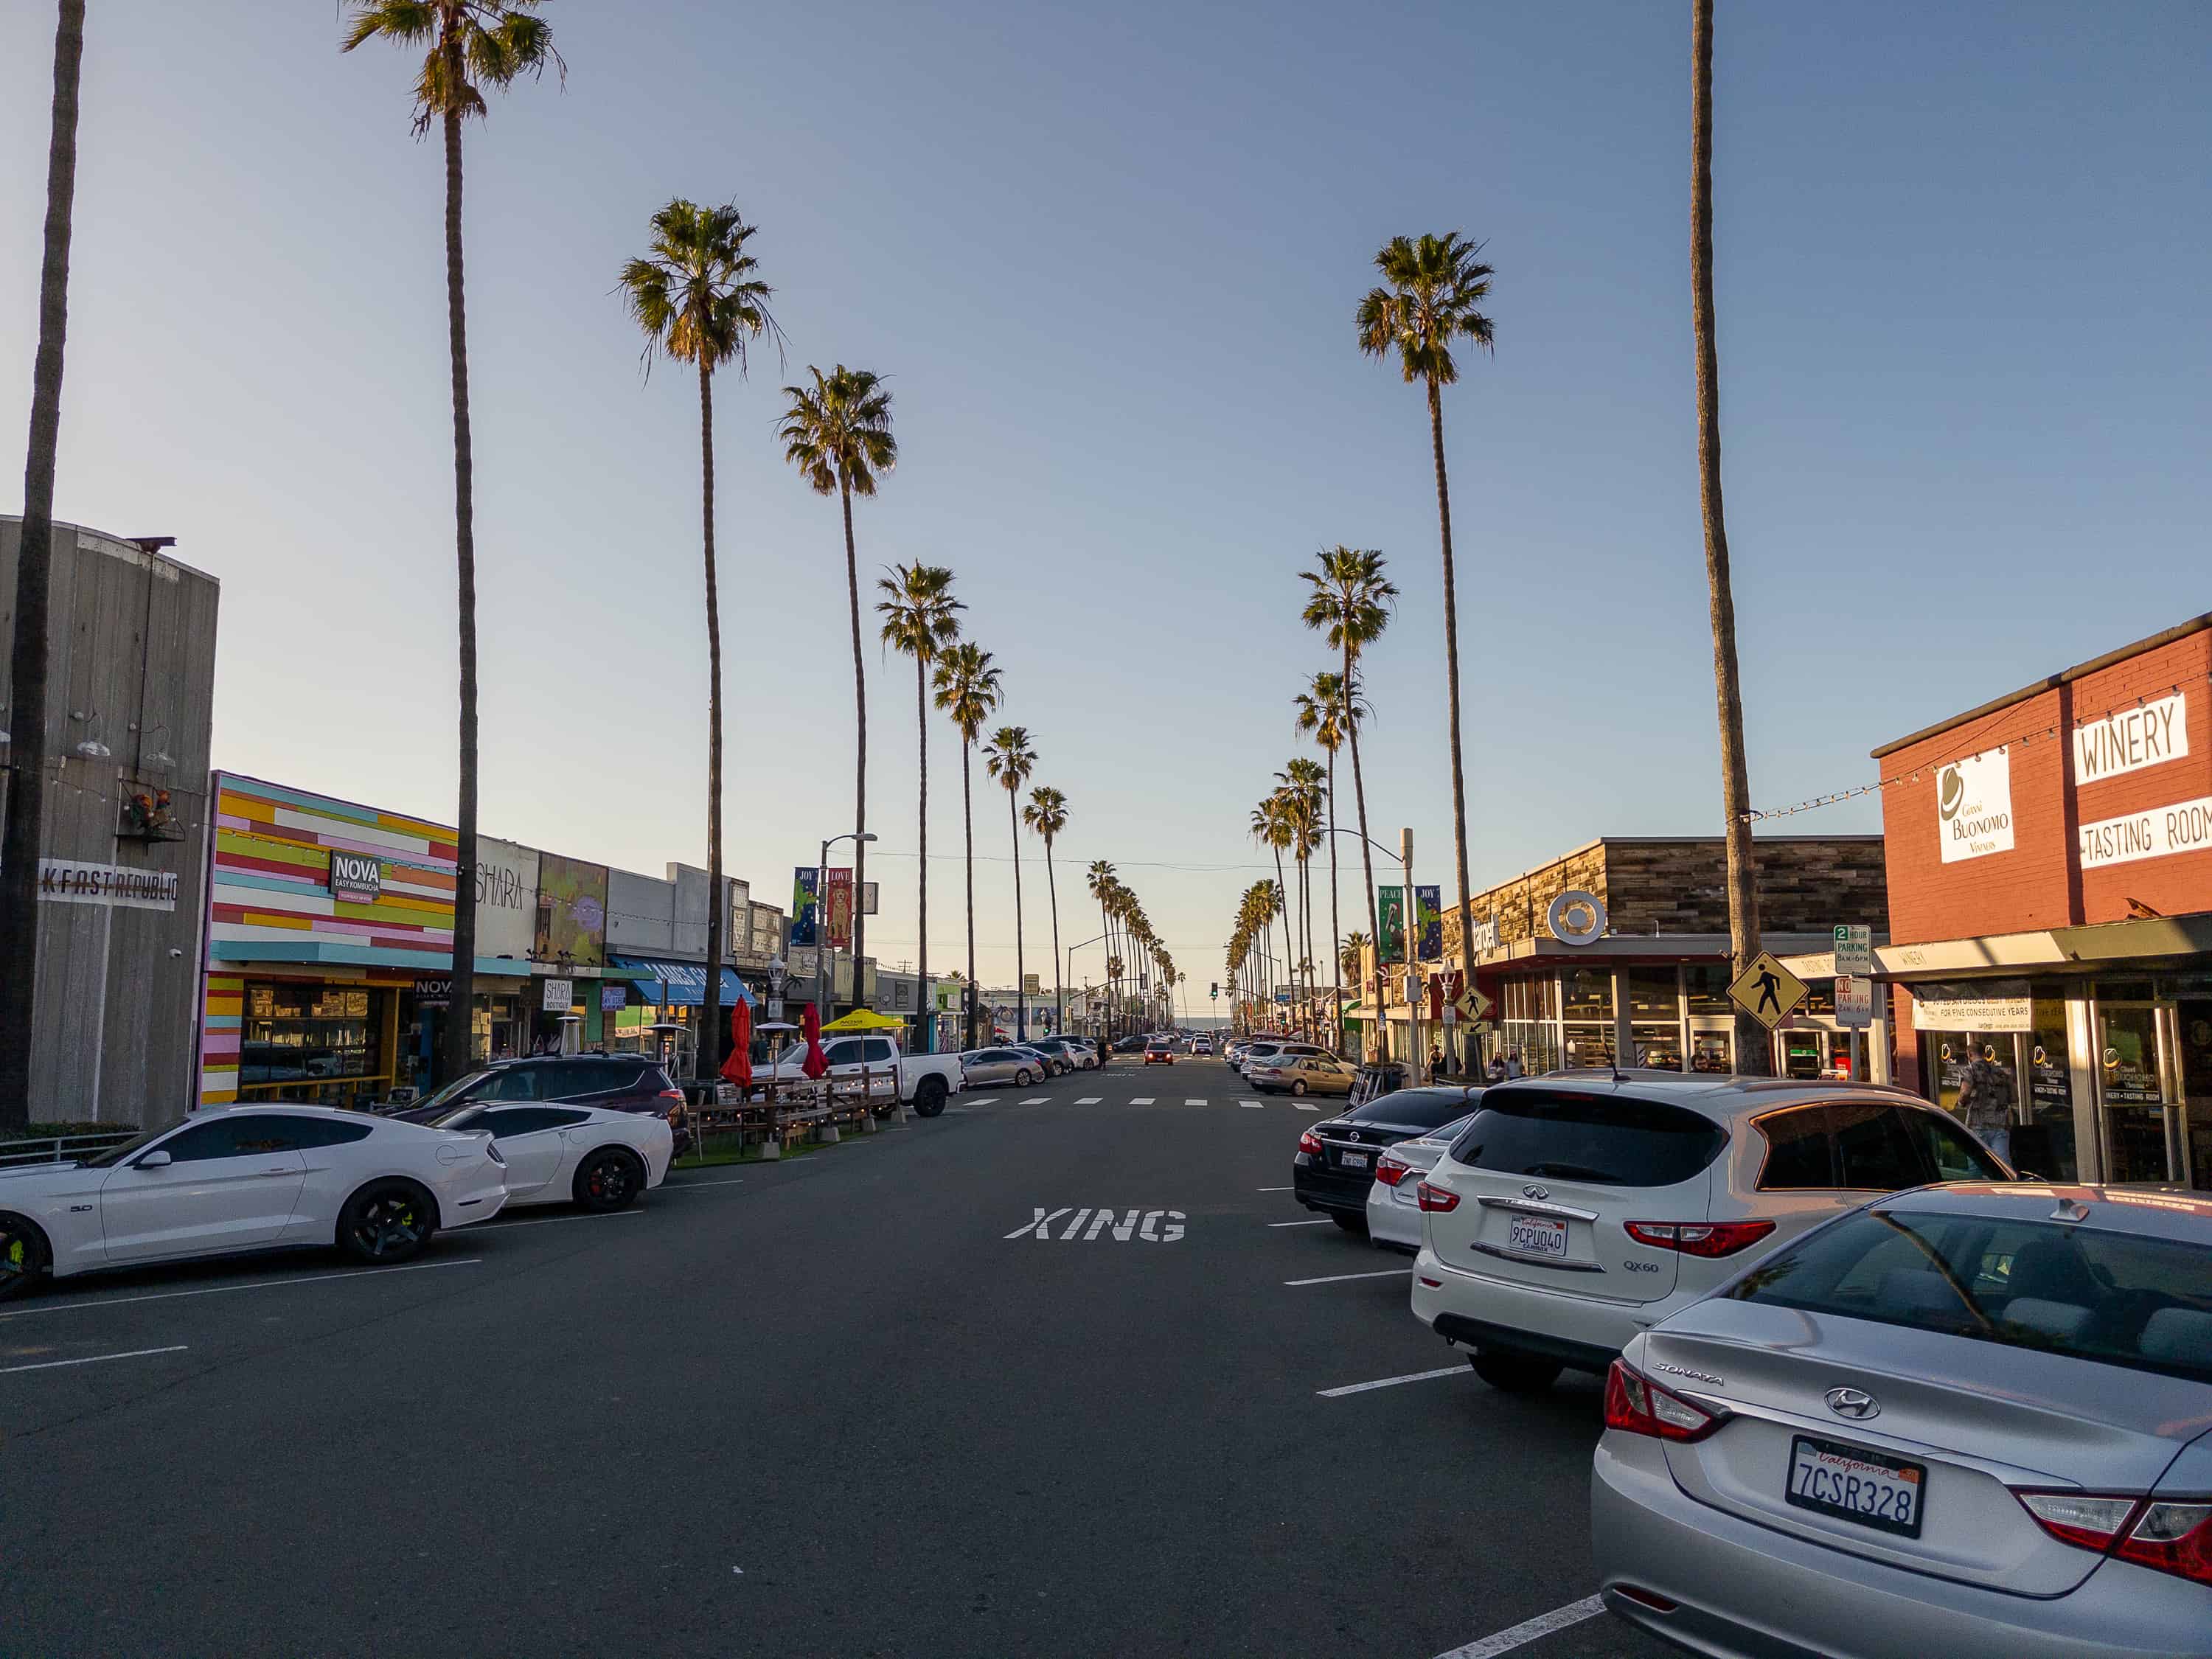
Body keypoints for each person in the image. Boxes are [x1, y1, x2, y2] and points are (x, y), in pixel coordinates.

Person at [1956, 1036, 2016, 1166]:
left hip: (1978, 1123)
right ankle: (2008, 1185)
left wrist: (1961, 1103)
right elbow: (2013, 1097)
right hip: (2000, 1123)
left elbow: (1965, 1092)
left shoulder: (1970, 1070)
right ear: (1984, 1054)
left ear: (1969, 1054)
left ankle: (1980, 1187)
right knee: (2004, 1164)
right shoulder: (2000, 1072)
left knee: (1976, 1164)